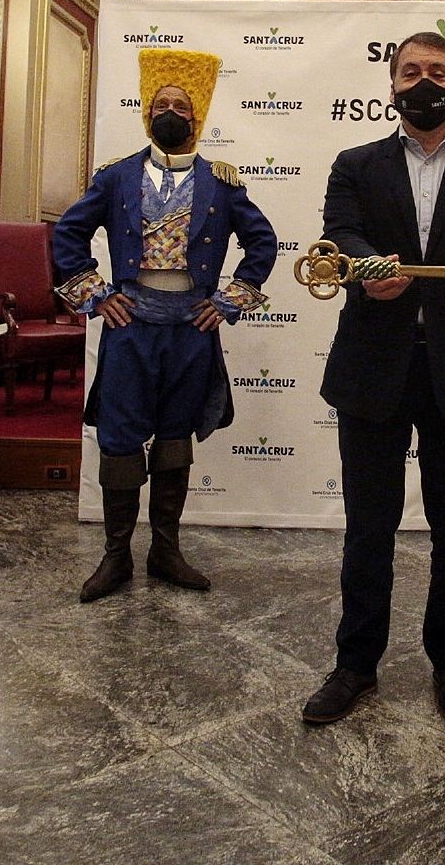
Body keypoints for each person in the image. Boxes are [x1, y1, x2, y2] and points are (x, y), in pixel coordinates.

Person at [301, 31, 445, 727]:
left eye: (437, 71)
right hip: (372, 366)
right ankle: (354, 664)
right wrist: (368, 265)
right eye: (411, 72)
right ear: (392, 87)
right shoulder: (354, 164)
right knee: (367, 528)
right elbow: (338, 235)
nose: (423, 81)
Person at [53, 48, 277, 603]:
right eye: (162, 103)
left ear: (196, 116)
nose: (170, 110)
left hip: (191, 330)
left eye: (181, 103)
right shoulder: (116, 177)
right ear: (147, 114)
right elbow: (68, 236)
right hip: (131, 328)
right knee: (122, 438)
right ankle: (115, 557)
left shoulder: (222, 183)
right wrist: (96, 296)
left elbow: (262, 242)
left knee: (175, 438)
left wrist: (228, 301)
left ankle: (166, 549)